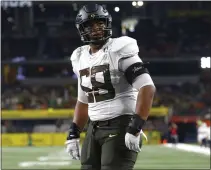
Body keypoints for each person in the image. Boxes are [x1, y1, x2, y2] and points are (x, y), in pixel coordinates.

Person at [65, 4, 155, 170]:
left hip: (120, 124)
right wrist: (73, 132)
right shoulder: (80, 57)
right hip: (94, 128)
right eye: (90, 25)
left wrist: (135, 127)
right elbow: (83, 101)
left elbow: (147, 88)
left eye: (100, 23)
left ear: (108, 24)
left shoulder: (119, 50)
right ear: (81, 29)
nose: (97, 29)